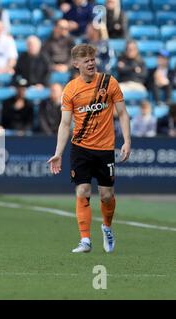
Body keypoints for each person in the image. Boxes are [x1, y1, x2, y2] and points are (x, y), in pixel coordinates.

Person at [47, 44, 131, 254]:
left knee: (106, 195)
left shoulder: (108, 82)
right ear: (76, 64)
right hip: (81, 148)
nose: (91, 63)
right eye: (86, 60)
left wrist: (127, 141)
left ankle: (107, 227)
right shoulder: (71, 90)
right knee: (83, 190)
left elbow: (122, 113)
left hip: (105, 149)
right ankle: (85, 239)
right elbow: (65, 124)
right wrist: (58, 153)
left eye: (92, 59)